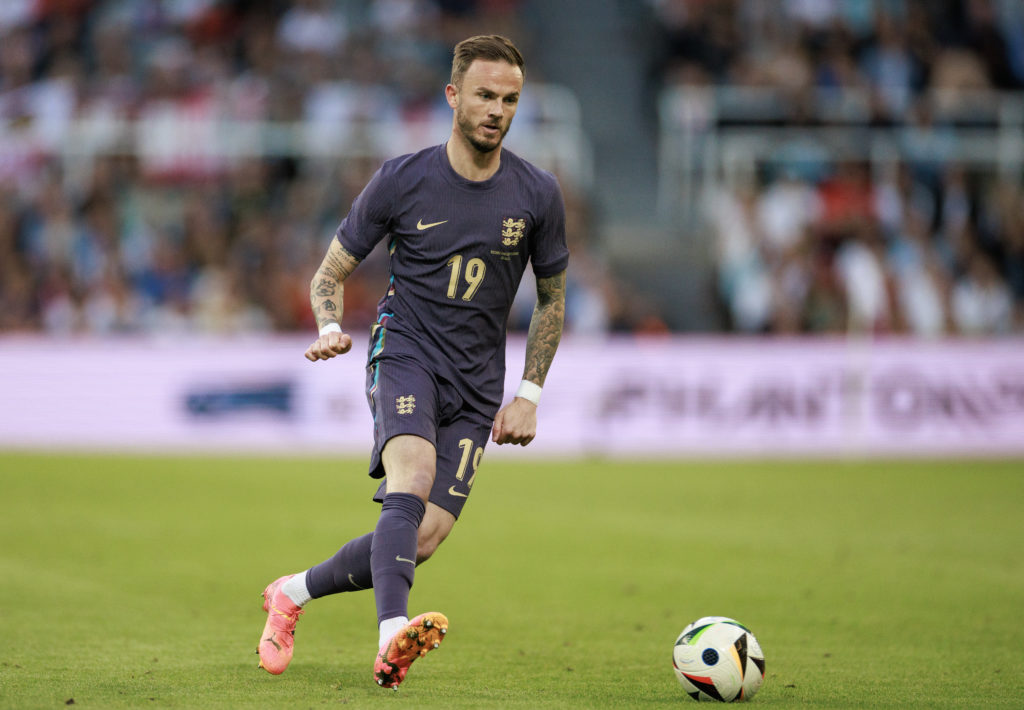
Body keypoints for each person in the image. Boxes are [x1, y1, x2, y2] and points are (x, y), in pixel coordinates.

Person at [256, 34, 568, 690]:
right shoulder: (403, 179)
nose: (497, 110)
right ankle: (389, 636)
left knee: (418, 539)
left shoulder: (537, 193)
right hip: (405, 352)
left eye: (510, 99)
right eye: (485, 95)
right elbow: (329, 272)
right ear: (453, 96)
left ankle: (290, 592)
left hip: (479, 384)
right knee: (413, 474)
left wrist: (528, 395)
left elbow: (552, 299)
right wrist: (331, 325)